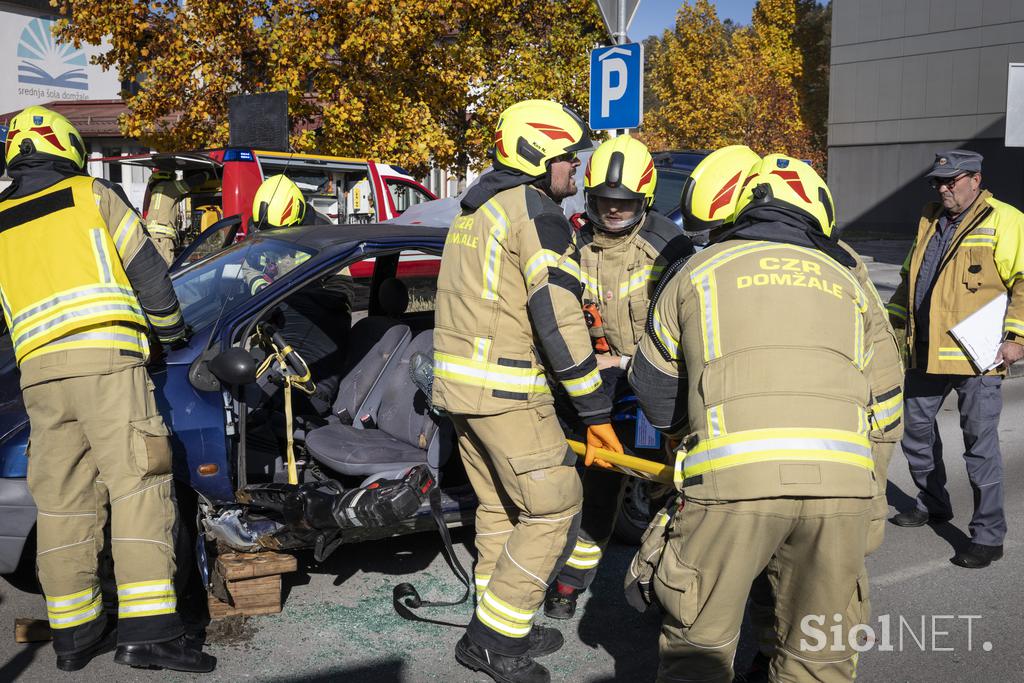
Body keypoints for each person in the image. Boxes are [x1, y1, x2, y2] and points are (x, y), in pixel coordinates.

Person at [630, 153, 894, 682]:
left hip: (730, 487)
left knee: (697, 651)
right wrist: (868, 506)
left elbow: (654, 391)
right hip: (840, 492)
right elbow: (885, 407)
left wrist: (693, 440)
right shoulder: (853, 281)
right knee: (820, 655)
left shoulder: (697, 271)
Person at [0, 106, 214, 672]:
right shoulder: (89, 195)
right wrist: (170, 331)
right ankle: (150, 633)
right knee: (138, 486)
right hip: (108, 365)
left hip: (39, 379)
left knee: (63, 502)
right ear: (67, 148)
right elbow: (148, 273)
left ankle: (75, 635)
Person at [432, 99, 624, 683]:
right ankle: (492, 642)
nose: (576, 171)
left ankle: (500, 619)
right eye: (568, 157)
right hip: (510, 392)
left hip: (463, 393)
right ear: (539, 155)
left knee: (498, 508)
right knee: (555, 506)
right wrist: (593, 407)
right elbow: (557, 315)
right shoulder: (534, 212)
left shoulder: (477, 209)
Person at [544, 134, 693, 619]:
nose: (613, 212)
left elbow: (687, 324)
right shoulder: (572, 240)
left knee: (668, 495)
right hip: (595, 389)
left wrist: (631, 365)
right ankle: (570, 585)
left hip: (655, 387)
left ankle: (671, 591)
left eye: (624, 204)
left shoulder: (669, 246)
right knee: (599, 492)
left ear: (644, 201)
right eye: (605, 202)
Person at [886, 149, 1024, 569]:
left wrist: (1017, 336)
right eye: (938, 182)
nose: (943, 188)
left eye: (952, 180)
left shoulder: (1006, 219)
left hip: (978, 355)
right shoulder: (929, 220)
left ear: (975, 179)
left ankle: (988, 535)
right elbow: (910, 280)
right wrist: (889, 329)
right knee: (917, 434)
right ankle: (933, 504)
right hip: (926, 351)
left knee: (979, 448)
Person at [145, 168, 216, 265]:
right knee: (167, 269)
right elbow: (188, 184)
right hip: (162, 238)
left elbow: (180, 195)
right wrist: (207, 174)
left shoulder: (159, 191)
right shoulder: (167, 187)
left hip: (155, 237)